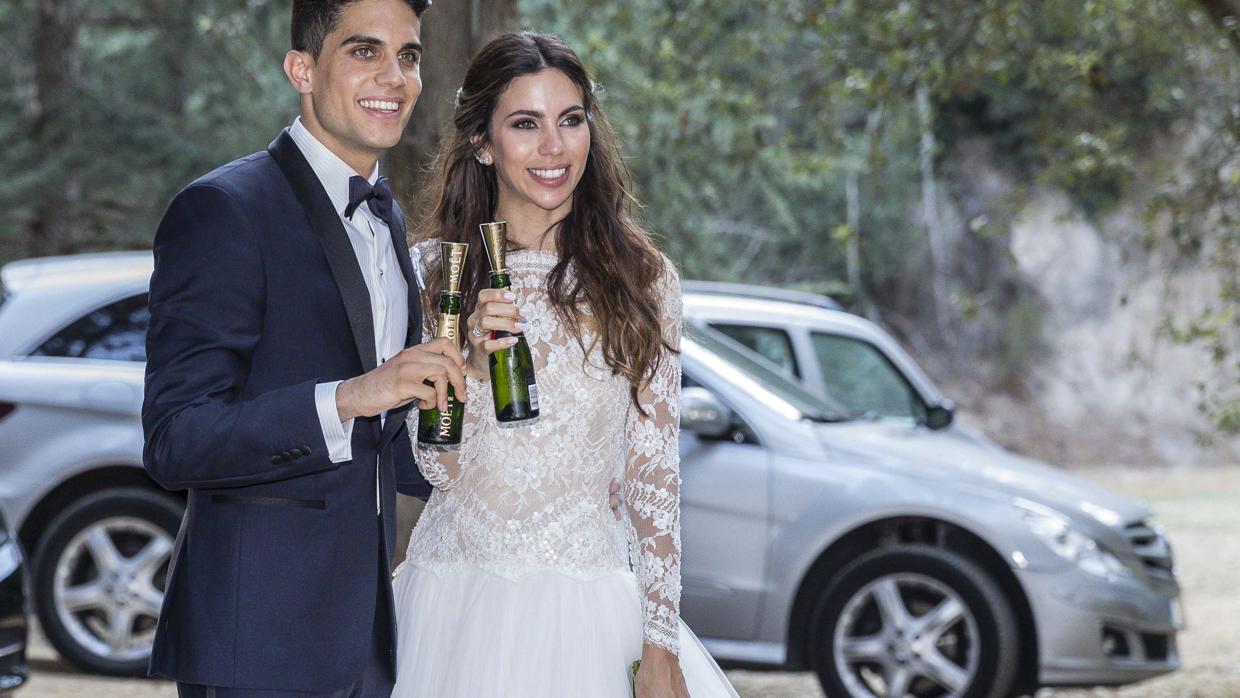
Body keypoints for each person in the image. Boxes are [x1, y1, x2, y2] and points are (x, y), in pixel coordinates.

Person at [391, 31, 740, 698]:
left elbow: (653, 476)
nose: (554, 147)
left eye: (570, 120)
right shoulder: (432, 272)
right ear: (482, 143)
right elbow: (437, 470)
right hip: (451, 607)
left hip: (590, 608)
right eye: (525, 124)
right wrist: (462, 354)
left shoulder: (643, 280)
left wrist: (660, 641)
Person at [140, 1, 467, 695]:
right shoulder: (224, 210)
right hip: (260, 643)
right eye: (363, 51)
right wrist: (351, 397)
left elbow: (386, 454)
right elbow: (176, 439)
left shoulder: (388, 219)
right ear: (302, 69)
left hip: (370, 636)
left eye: (408, 55)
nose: (394, 75)